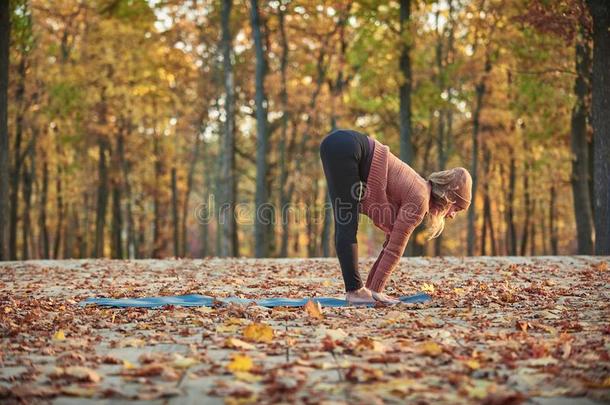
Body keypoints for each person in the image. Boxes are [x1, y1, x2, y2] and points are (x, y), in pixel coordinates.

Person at [319, 128, 472, 305]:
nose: (452, 215)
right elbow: (394, 249)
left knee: (345, 220)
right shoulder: (420, 199)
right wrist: (376, 291)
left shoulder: (419, 190)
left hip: (337, 143)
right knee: (347, 222)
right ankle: (354, 292)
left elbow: (389, 244)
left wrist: (372, 289)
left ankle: (358, 291)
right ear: (449, 197)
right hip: (348, 148)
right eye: (456, 208)